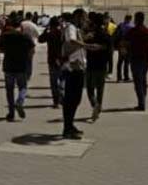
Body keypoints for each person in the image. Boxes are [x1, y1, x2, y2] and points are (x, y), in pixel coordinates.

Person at [0, 16, 34, 122]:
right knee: (22, 87)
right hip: (21, 66)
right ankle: (20, 101)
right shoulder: (25, 36)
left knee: (9, 90)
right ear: (21, 26)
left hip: (8, 66)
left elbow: (0, 48)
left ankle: (11, 113)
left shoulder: (5, 36)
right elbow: (32, 50)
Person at [60, 9, 88, 138]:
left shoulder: (74, 28)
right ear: (77, 17)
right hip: (73, 67)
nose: (85, 21)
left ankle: (70, 125)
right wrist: (86, 45)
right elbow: (71, 40)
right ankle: (67, 128)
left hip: (78, 66)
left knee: (75, 99)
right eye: (83, 18)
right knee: (72, 99)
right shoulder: (71, 27)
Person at [125, 11, 148, 110]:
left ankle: (141, 103)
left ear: (136, 19)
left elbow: (125, 43)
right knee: (143, 80)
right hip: (146, 60)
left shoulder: (132, 31)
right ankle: (142, 100)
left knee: (138, 82)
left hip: (135, 59)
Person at [85, 12, 112, 122]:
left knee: (90, 89)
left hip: (91, 64)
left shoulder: (91, 35)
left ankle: (95, 104)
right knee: (100, 89)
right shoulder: (106, 35)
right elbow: (109, 50)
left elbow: (84, 44)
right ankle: (98, 107)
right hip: (102, 65)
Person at [38, 16, 64, 108]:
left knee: (53, 82)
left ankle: (56, 101)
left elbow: (40, 39)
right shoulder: (62, 33)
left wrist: (45, 31)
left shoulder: (50, 33)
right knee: (62, 79)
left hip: (52, 60)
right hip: (62, 59)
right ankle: (62, 96)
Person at [20, 12, 39, 81]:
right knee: (29, 61)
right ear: (31, 17)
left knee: (22, 61)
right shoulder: (33, 25)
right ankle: (28, 75)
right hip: (31, 45)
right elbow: (38, 35)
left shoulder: (21, 24)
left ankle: (22, 74)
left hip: (21, 45)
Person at [114, 14, 133, 82]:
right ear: (130, 19)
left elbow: (116, 35)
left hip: (121, 45)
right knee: (126, 62)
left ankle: (119, 77)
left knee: (120, 61)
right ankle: (126, 77)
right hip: (128, 45)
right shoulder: (131, 26)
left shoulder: (120, 25)